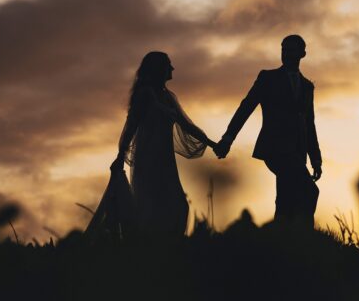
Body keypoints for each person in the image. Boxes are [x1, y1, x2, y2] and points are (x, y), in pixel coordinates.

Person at [86, 51, 216, 239]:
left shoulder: (168, 97)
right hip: (148, 160)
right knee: (154, 206)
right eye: (168, 64)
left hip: (165, 159)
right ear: (158, 69)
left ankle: (165, 247)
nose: (172, 68)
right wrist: (120, 156)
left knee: (177, 204)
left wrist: (213, 144)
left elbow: (186, 125)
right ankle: (152, 249)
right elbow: (131, 127)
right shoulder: (145, 94)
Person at [214, 35, 322, 228]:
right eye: (283, 49)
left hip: (297, 153)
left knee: (287, 196)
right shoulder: (268, 78)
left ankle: (283, 238)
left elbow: (309, 124)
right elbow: (246, 108)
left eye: (291, 50)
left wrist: (315, 158)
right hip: (275, 148)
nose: (286, 54)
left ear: (302, 54)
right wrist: (228, 138)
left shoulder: (307, 87)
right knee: (309, 191)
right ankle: (303, 237)